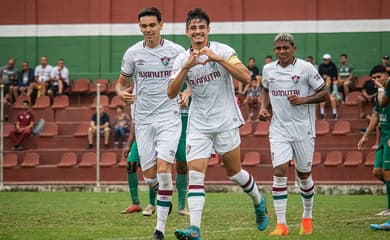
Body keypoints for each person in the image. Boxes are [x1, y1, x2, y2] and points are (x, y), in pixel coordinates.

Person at [168, 8, 269, 240]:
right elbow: (171, 92)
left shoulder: (223, 50)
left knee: (234, 172)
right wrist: (186, 68)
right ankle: (195, 229)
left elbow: (246, 77)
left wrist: (218, 59)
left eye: (201, 27)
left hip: (225, 121)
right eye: (193, 28)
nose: (197, 31)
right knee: (195, 173)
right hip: (198, 124)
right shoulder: (182, 59)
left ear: (208, 30)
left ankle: (258, 200)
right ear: (187, 32)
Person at [116, 7, 185, 240]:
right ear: (140, 28)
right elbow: (120, 84)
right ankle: (162, 193)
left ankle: (159, 229)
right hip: (143, 121)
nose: (148, 30)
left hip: (169, 117)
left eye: (152, 25)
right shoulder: (132, 53)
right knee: (150, 176)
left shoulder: (177, 51)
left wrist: (188, 94)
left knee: (165, 170)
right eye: (144, 26)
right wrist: (121, 93)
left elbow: (192, 78)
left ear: (161, 25)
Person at [259, 33, 328, 236]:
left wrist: (304, 100)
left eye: (285, 48)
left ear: (293, 48)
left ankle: (307, 216)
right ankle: (281, 225)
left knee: (303, 175)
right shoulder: (268, 69)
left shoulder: (305, 69)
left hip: (303, 129)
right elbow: (265, 89)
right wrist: (264, 108)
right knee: (280, 171)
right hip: (279, 129)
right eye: (278, 48)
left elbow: (324, 93)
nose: (282, 52)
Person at [121, 85, 190, 217]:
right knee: (133, 164)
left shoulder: (187, 83)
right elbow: (136, 121)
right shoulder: (149, 88)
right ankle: (148, 203)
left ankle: (181, 206)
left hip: (181, 132)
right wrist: (129, 144)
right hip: (154, 131)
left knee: (182, 167)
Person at [358, 65, 390, 217]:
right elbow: (377, 115)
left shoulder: (387, 89)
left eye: (379, 77)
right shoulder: (381, 92)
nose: (377, 80)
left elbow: (384, 105)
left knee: (388, 172)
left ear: (386, 75)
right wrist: (365, 136)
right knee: (378, 171)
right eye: (374, 78)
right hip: (384, 137)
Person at [318, 53, 339, 119]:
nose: (325, 61)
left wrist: (331, 95)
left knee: (332, 99)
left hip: (331, 93)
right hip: (324, 94)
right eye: (324, 59)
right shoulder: (321, 66)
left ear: (329, 60)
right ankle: (322, 114)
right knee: (322, 101)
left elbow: (335, 76)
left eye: (327, 59)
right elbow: (319, 75)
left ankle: (334, 114)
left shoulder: (333, 66)